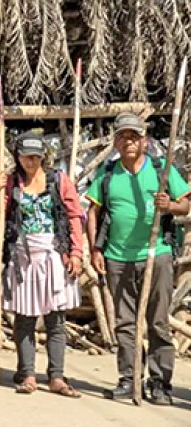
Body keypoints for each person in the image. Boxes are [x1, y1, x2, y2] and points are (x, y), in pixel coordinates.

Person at [87, 112, 190, 405]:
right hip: (118, 257)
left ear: (143, 141)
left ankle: (160, 383)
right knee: (125, 323)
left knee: (157, 322)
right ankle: (130, 378)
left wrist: (169, 205)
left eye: (134, 136)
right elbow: (92, 212)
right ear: (116, 142)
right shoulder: (107, 175)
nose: (129, 141)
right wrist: (96, 249)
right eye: (123, 136)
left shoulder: (162, 170)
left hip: (156, 255)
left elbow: (185, 205)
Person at [0, 132, 84, 397]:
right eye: (25, 156)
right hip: (22, 256)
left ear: (43, 156)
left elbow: (75, 215)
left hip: (54, 254)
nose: (30, 161)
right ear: (18, 157)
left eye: (35, 156)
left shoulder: (58, 181)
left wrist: (76, 252)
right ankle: (27, 373)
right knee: (25, 318)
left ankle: (57, 376)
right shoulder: (10, 183)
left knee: (55, 319)